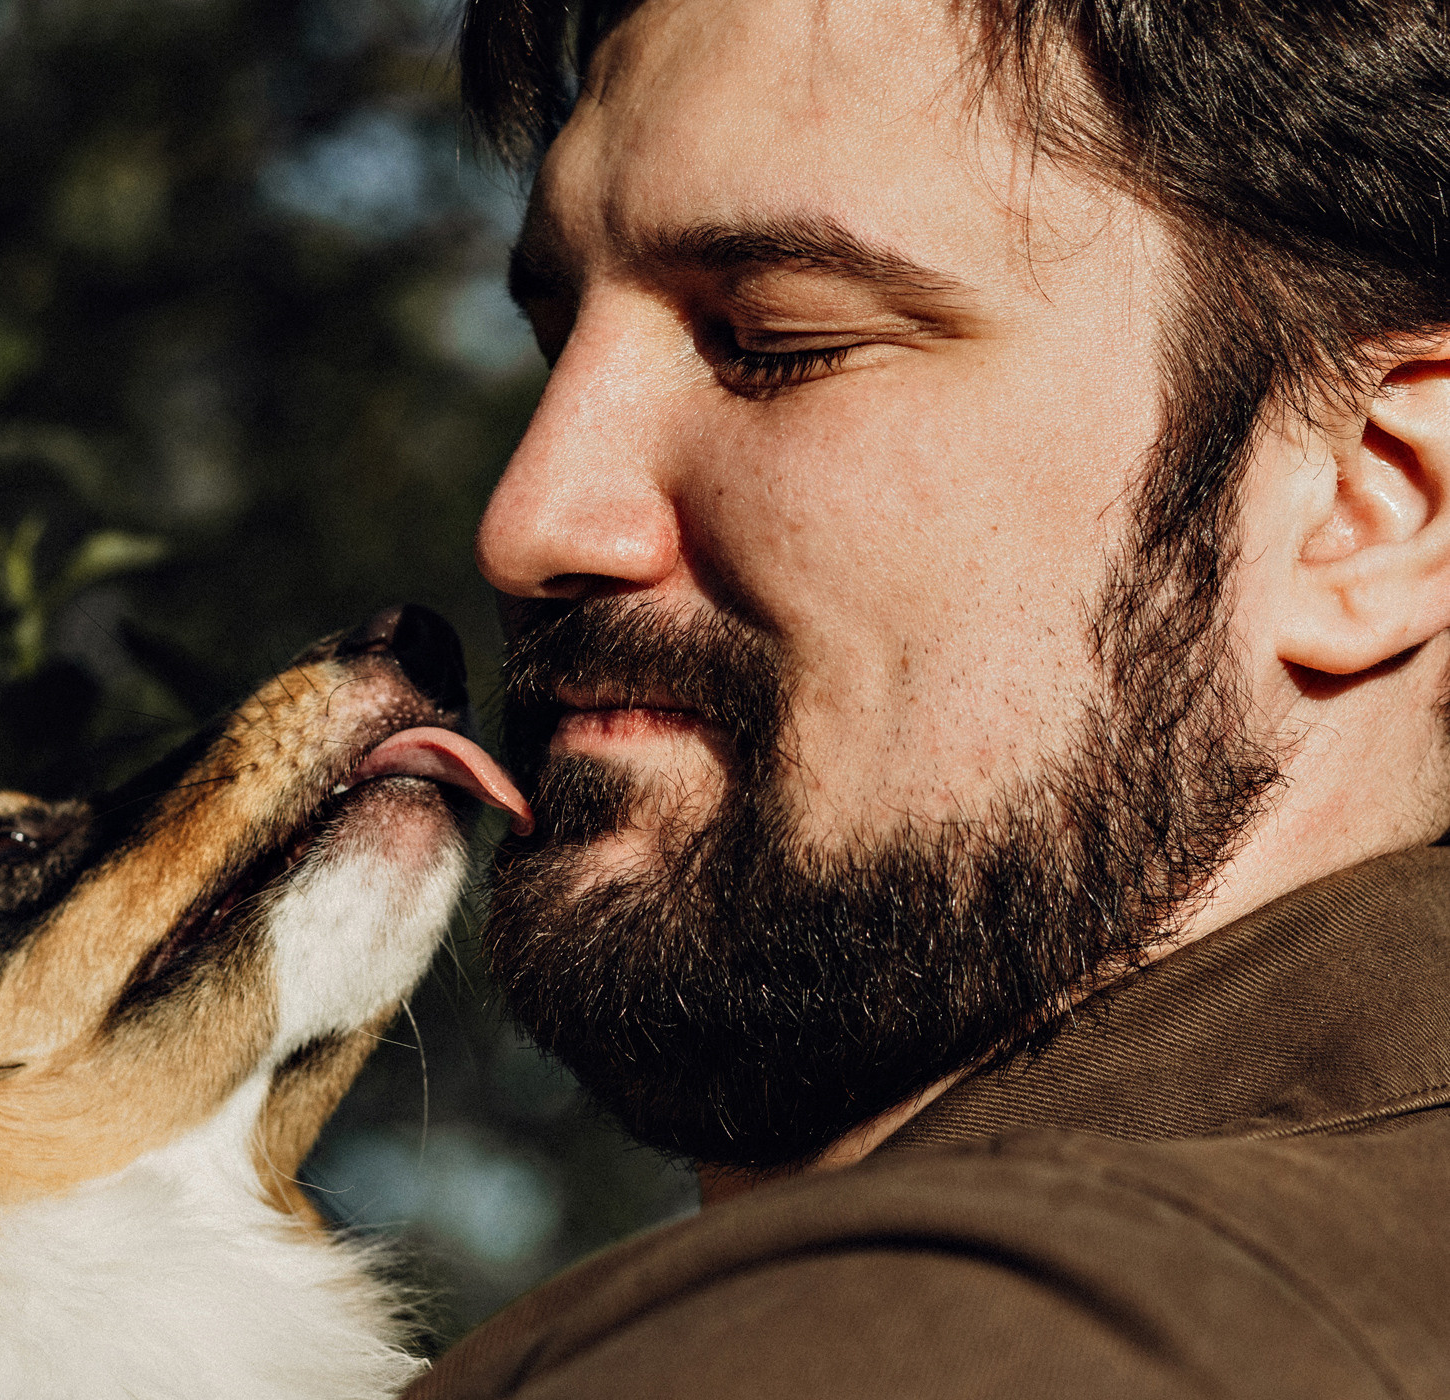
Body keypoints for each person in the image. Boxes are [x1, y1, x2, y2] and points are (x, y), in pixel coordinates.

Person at [411, 0, 1450, 1394]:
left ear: (1375, 507)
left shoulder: (1030, 1336)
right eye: (554, 343)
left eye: (775, 340)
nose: (530, 522)